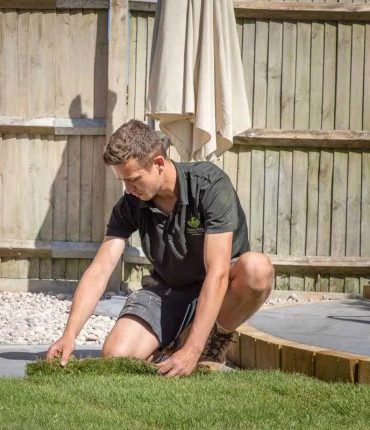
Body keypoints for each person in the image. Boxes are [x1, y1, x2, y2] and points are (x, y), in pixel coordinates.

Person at [46, 119, 274, 377]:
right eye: (123, 181)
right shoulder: (131, 203)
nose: (128, 190)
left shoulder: (210, 186)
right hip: (168, 291)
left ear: (158, 164)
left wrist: (193, 350)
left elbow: (219, 272)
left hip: (219, 291)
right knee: (116, 356)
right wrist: (69, 334)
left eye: (133, 180)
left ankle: (210, 344)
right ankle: (175, 342)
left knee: (257, 269)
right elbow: (100, 269)